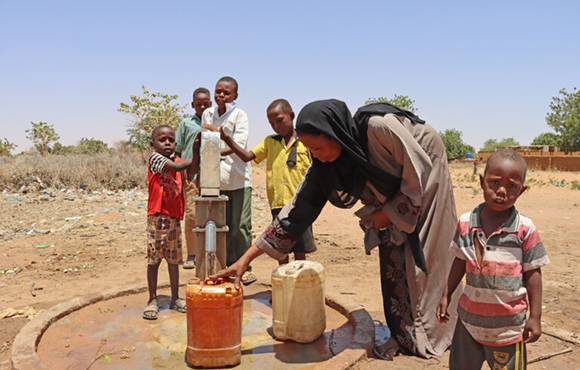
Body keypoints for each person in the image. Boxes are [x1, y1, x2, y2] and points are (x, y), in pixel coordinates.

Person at [215, 99, 461, 359]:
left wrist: (387, 214)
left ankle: (433, 329)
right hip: (398, 192)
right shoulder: (326, 165)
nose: (316, 155)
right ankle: (402, 334)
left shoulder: (379, 128)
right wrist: (244, 260)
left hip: (425, 168)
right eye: (310, 149)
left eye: (318, 147)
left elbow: (417, 175)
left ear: (335, 134)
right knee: (391, 252)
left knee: (423, 250)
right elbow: (293, 214)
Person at [437, 149, 550, 370]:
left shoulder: (525, 229)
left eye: (511, 186)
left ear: (522, 191)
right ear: (481, 181)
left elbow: (533, 273)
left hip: (508, 328)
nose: (501, 191)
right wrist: (445, 294)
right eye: (494, 182)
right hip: (469, 323)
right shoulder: (466, 223)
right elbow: (460, 261)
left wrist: (535, 317)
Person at [208, 98, 316, 265]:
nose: (276, 126)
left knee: (300, 250)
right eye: (272, 123)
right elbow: (246, 157)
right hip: (278, 205)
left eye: (280, 120)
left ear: (292, 115)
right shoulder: (270, 142)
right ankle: (284, 282)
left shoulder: (306, 142)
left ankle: (298, 283)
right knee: (281, 249)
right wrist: (228, 140)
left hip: (301, 203)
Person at [201, 76, 256, 285]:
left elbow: (237, 146)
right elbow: (206, 138)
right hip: (214, 179)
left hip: (238, 178)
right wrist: (214, 141)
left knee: (240, 226)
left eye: (226, 92)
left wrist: (216, 143)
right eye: (218, 91)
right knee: (219, 226)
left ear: (235, 96)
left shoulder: (240, 116)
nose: (221, 95)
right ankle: (223, 267)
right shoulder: (208, 113)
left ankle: (244, 266)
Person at [143, 125, 200, 320]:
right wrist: (196, 154)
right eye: (162, 139)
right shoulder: (155, 159)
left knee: (174, 260)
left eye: (171, 139)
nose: (167, 143)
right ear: (153, 144)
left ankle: (175, 298)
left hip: (175, 217)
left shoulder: (179, 160)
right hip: (157, 217)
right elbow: (178, 167)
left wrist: (196, 151)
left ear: (176, 143)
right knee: (154, 260)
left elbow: (190, 172)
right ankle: (152, 299)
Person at [175, 87, 212, 270]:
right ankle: (191, 254)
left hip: (212, 176)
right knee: (191, 216)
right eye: (199, 104)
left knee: (211, 216)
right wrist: (179, 169)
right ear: (193, 105)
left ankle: (210, 252)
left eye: (206, 104)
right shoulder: (186, 124)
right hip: (191, 176)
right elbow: (177, 149)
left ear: (211, 104)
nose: (203, 107)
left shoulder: (215, 123)